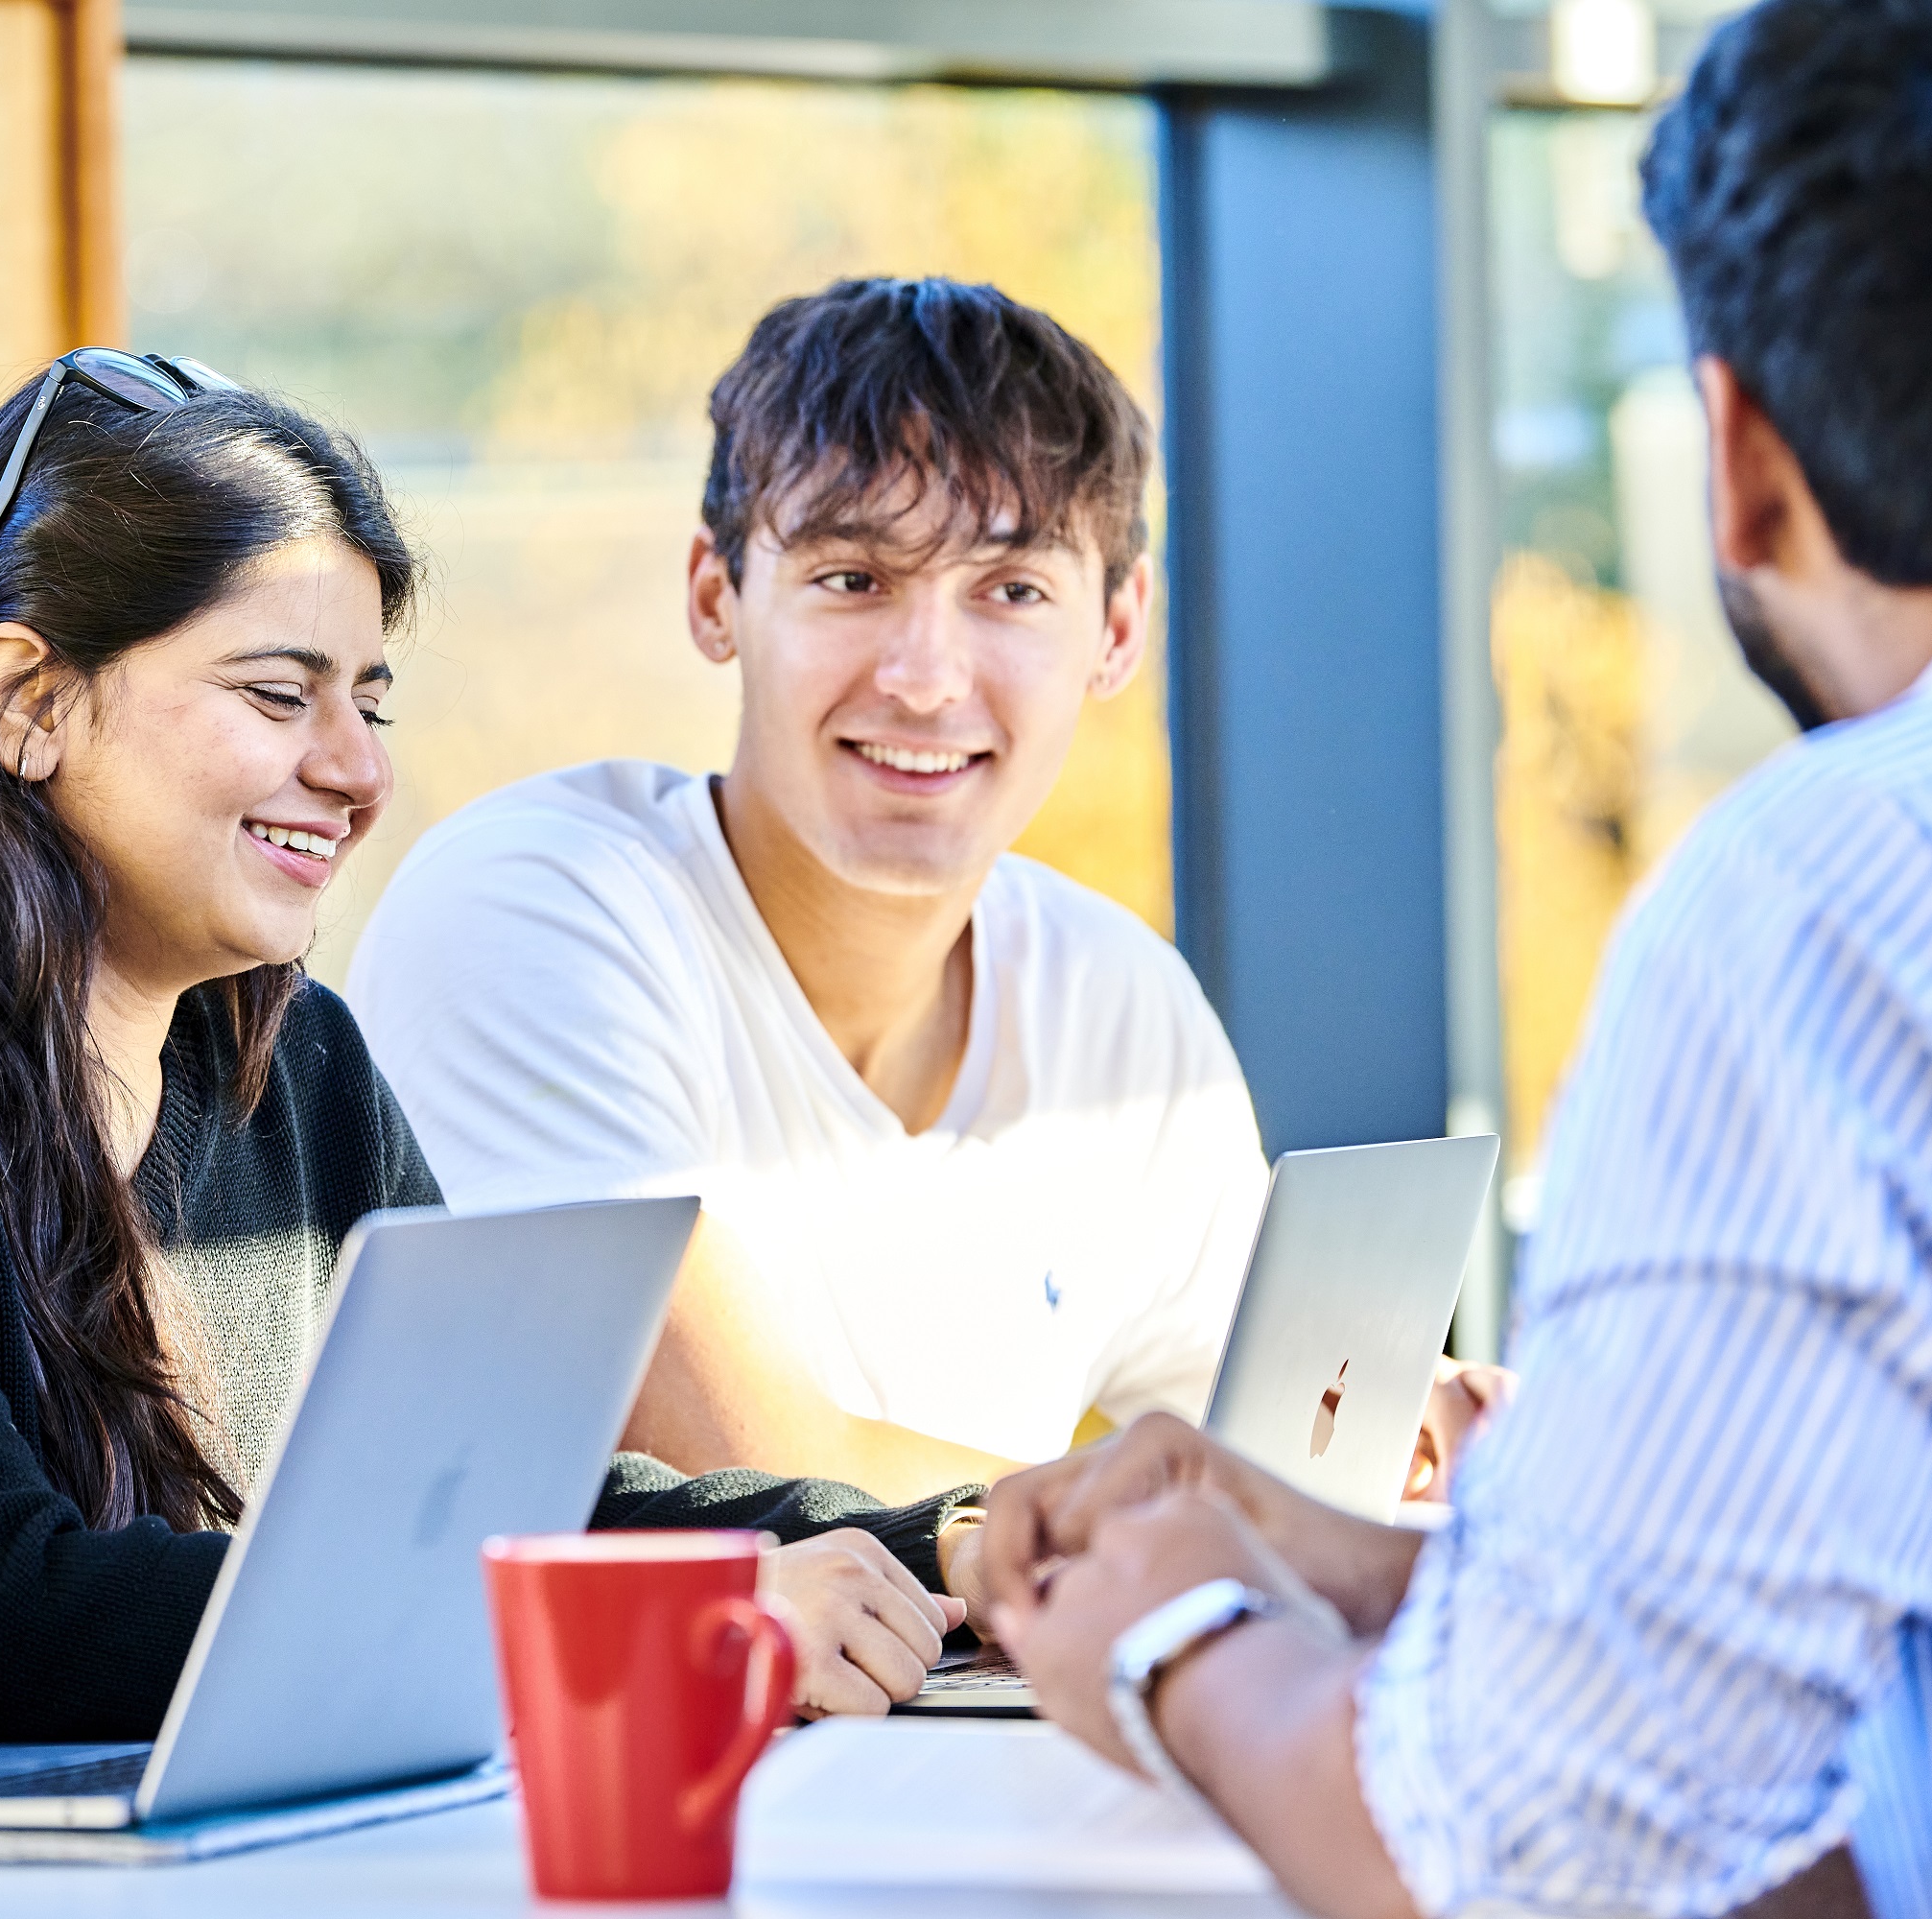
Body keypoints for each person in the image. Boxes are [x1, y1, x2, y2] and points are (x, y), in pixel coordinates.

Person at [0, 351, 983, 1751]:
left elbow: (519, 1496)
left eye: (367, 704)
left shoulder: (297, 1067)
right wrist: (670, 1620)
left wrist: (954, 1548)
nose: (359, 769)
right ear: (27, 701)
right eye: (277, 694)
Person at [977, 5, 1932, 1915]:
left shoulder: (1836, 887)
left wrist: (1169, 1639)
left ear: (1740, 451)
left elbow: (1547, 1859)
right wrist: (1415, 1565)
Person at [350, 278, 1496, 1509]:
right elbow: (744, 1466)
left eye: (1011, 592)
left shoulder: (1116, 1005)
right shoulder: (539, 909)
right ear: (715, 595)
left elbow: (1285, 1448)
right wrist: (1244, 1508)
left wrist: (1414, 1441)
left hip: (943, 1705)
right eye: (854, 577)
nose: (926, 677)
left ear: (1118, 628)